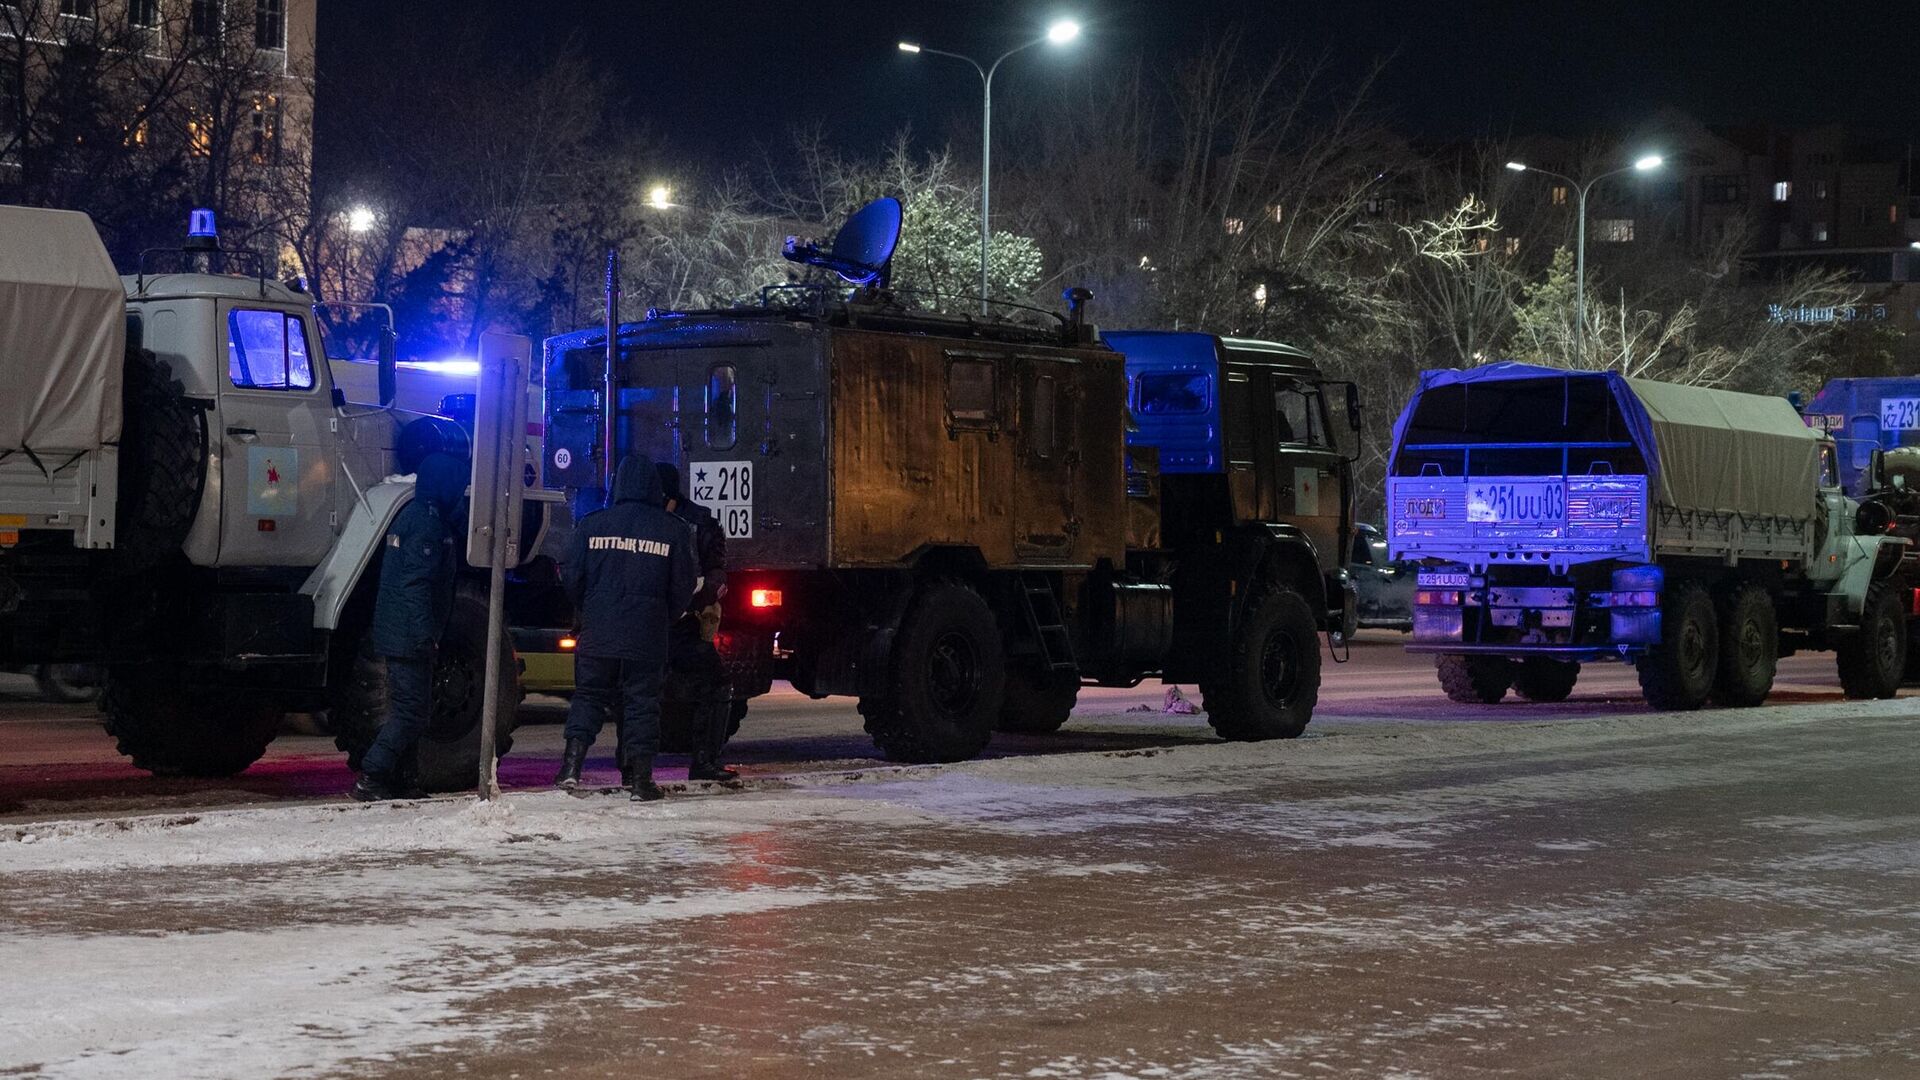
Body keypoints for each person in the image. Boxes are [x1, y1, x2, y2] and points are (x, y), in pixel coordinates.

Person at [555, 453, 698, 801]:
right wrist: (666, 616)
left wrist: (588, 609)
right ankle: (640, 780)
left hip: (599, 630)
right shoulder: (673, 528)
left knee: (588, 697)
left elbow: (571, 576)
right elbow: (684, 584)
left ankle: (571, 769)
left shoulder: (592, 524)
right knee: (642, 703)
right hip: (646, 634)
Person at [353, 452, 465, 802]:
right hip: (408, 636)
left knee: (414, 709)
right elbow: (416, 584)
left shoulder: (412, 517)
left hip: (400, 631)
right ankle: (371, 774)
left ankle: (405, 779)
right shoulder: (429, 526)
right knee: (411, 714)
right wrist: (425, 634)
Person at [657, 461, 738, 782]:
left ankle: (704, 761)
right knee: (636, 692)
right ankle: (632, 766)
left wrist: (702, 593)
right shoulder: (654, 518)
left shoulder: (699, 522)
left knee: (717, 684)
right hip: (651, 623)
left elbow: (717, 571)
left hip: (684, 622)